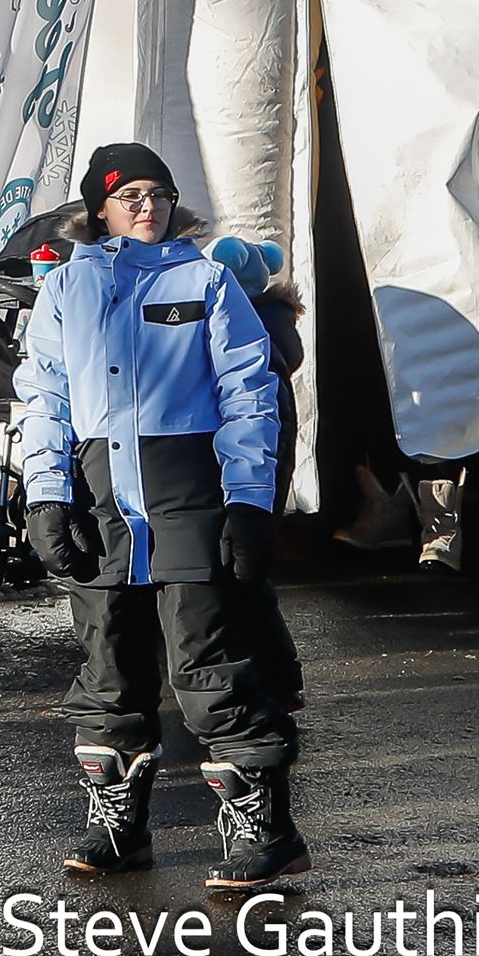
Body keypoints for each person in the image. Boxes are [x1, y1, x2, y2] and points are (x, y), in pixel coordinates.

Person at [16, 142, 303, 893]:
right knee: (108, 669)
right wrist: (45, 495)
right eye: (131, 196)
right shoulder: (67, 286)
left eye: (160, 194)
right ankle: (120, 827)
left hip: (188, 495)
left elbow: (249, 393)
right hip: (100, 499)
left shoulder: (205, 280)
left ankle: (266, 831)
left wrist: (250, 502)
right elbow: (43, 396)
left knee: (208, 666)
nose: (149, 208)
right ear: (100, 209)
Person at [203, 235, 308, 715]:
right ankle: (278, 678)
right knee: (247, 578)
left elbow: (255, 421)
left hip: (249, 476)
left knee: (238, 579)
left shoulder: (250, 336)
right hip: (266, 472)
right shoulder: (274, 328)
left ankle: (266, 681)